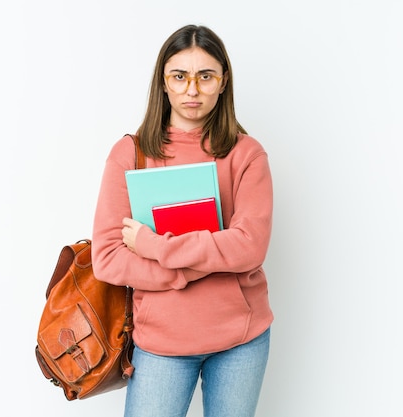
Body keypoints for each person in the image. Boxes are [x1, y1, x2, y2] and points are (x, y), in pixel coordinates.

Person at [92, 24, 274, 417]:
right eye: (180, 76)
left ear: (223, 82)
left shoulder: (247, 154)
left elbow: (249, 247)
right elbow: (107, 257)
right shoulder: (130, 154)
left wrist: (157, 247)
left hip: (241, 341)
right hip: (162, 344)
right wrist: (184, 272)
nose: (192, 90)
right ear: (164, 82)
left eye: (205, 76)